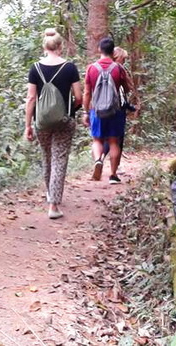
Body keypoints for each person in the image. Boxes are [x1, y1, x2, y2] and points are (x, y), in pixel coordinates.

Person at [25, 29, 82, 219]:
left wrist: (28, 125)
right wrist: (70, 110)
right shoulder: (70, 68)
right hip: (64, 120)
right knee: (60, 158)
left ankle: (50, 193)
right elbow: (79, 96)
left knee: (47, 156)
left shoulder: (35, 68)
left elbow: (31, 98)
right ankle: (54, 205)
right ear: (60, 47)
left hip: (41, 121)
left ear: (44, 46)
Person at [83, 37, 130, 184]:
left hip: (96, 110)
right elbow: (126, 89)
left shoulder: (91, 68)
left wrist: (85, 112)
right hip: (115, 110)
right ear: (112, 51)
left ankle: (98, 160)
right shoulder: (119, 68)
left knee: (97, 140)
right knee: (114, 141)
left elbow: (87, 93)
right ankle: (113, 175)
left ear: (99, 49)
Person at [101, 47, 139, 163]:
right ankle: (114, 167)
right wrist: (130, 107)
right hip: (117, 110)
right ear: (118, 57)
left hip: (102, 108)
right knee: (117, 138)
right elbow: (123, 93)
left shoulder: (102, 68)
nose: (124, 61)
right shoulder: (119, 69)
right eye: (123, 59)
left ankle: (100, 158)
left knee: (107, 137)